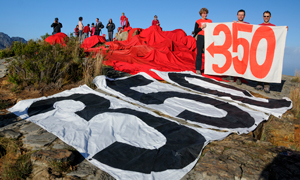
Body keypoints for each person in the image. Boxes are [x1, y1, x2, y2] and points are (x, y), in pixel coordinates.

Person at [223, 9, 249, 84]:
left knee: (240, 61)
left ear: (244, 16)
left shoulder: (248, 24)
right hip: (234, 44)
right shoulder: (234, 23)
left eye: (242, 15)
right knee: (232, 60)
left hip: (242, 45)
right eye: (239, 14)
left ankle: (239, 78)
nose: (241, 16)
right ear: (237, 15)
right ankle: (231, 76)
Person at [193, 8, 212, 74]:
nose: (205, 14)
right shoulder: (198, 21)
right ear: (201, 14)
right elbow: (195, 31)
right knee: (199, 53)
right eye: (203, 13)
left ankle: (208, 69)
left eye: (206, 13)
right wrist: (201, 27)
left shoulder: (210, 21)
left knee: (208, 54)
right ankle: (198, 69)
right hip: (200, 37)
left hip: (208, 37)